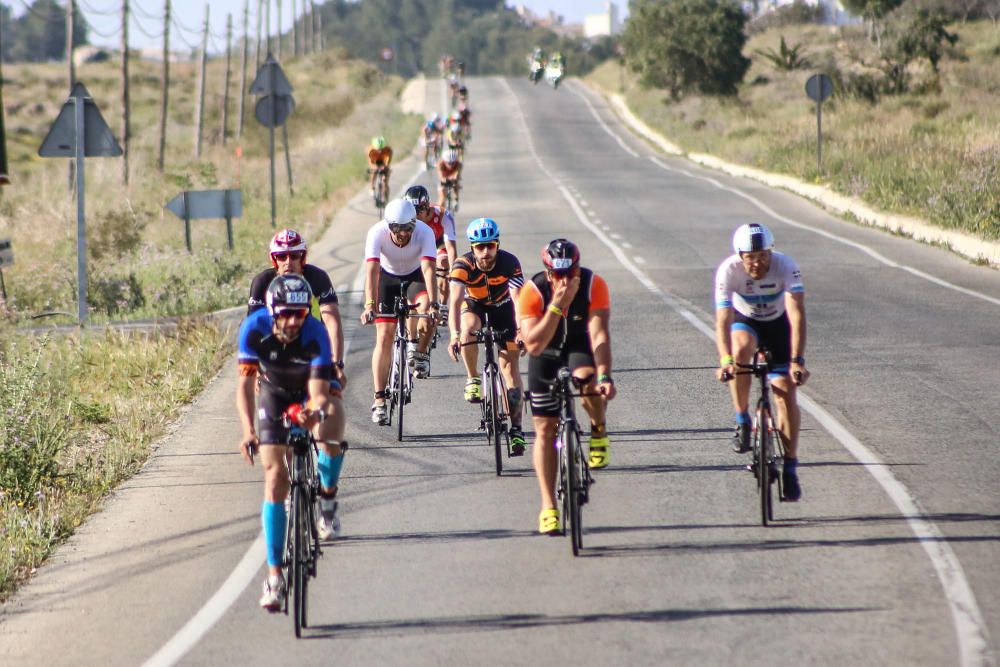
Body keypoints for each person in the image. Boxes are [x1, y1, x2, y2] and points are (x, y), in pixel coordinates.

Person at [236, 274, 347, 611]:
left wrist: (312, 413)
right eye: (287, 313)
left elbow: (318, 394)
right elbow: (244, 384)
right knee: (275, 480)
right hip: (273, 392)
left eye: (300, 313)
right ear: (272, 312)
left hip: (308, 390)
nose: (294, 320)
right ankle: (275, 576)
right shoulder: (254, 329)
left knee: (332, 423)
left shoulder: (314, 332)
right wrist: (247, 429)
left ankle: (327, 496)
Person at [517, 239, 616, 534]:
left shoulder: (593, 285)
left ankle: (598, 429)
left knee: (587, 379)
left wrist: (605, 376)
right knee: (544, 429)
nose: (563, 280)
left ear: (577, 269)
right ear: (547, 273)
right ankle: (548, 506)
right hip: (544, 351)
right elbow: (533, 343)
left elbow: (598, 335)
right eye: (556, 274)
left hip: (578, 346)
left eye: (568, 273)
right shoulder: (532, 291)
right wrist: (557, 306)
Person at [714, 222, 808, 502]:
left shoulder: (786, 266)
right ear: (740, 256)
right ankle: (742, 419)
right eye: (751, 258)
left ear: (771, 252)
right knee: (741, 350)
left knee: (784, 393)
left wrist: (797, 361)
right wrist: (726, 360)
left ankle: (790, 467)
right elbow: (722, 321)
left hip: (779, 325)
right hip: (748, 322)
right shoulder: (728, 270)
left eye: (763, 256)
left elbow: (797, 315)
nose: (758, 263)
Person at [247, 229, 348, 473]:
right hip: (278, 356)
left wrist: (336, 363)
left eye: (294, 256)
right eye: (281, 257)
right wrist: (258, 371)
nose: (288, 262)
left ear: (303, 258)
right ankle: (297, 483)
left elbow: (332, 320)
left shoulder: (317, 277)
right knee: (287, 443)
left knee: (323, 421)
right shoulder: (262, 282)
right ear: (274, 260)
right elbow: (254, 333)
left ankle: (325, 486)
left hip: (312, 350)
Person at [448, 218, 527, 453]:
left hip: (504, 308)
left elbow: (518, 301)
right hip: (475, 304)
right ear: (472, 248)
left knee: (510, 369)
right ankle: (473, 378)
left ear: (497, 245)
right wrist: (453, 335)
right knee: (468, 326)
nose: (485, 253)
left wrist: (522, 330)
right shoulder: (462, 265)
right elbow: (454, 303)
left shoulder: (509, 263)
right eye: (480, 247)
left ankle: (517, 430)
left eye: (490, 246)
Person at [360, 199, 440, 424]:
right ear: (389, 226)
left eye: (408, 228)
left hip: (416, 276)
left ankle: (419, 351)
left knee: (426, 309)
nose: (403, 234)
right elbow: (372, 272)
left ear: (414, 224)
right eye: (397, 229)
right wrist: (369, 305)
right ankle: (379, 399)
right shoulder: (376, 233)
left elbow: (428, 269)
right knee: (384, 335)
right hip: (387, 277)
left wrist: (434, 304)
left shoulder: (424, 232)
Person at [404, 185, 457, 312]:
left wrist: (454, 272)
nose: (415, 216)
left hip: (437, 243)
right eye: (411, 211)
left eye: (418, 211)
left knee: (444, 262)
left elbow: (451, 249)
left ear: (426, 207)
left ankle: (443, 305)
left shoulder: (443, 215)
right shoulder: (406, 219)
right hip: (418, 245)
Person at [367, 135, 393, 202]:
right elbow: (371, 163)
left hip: (383, 162)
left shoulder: (388, 150)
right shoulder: (370, 150)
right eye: (378, 149)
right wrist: (375, 167)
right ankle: (371, 187)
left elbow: (387, 162)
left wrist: (386, 168)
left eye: (381, 149)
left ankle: (386, 199)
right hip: (375, 162)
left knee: (385, 180)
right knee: (373, 172)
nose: (380, 151)